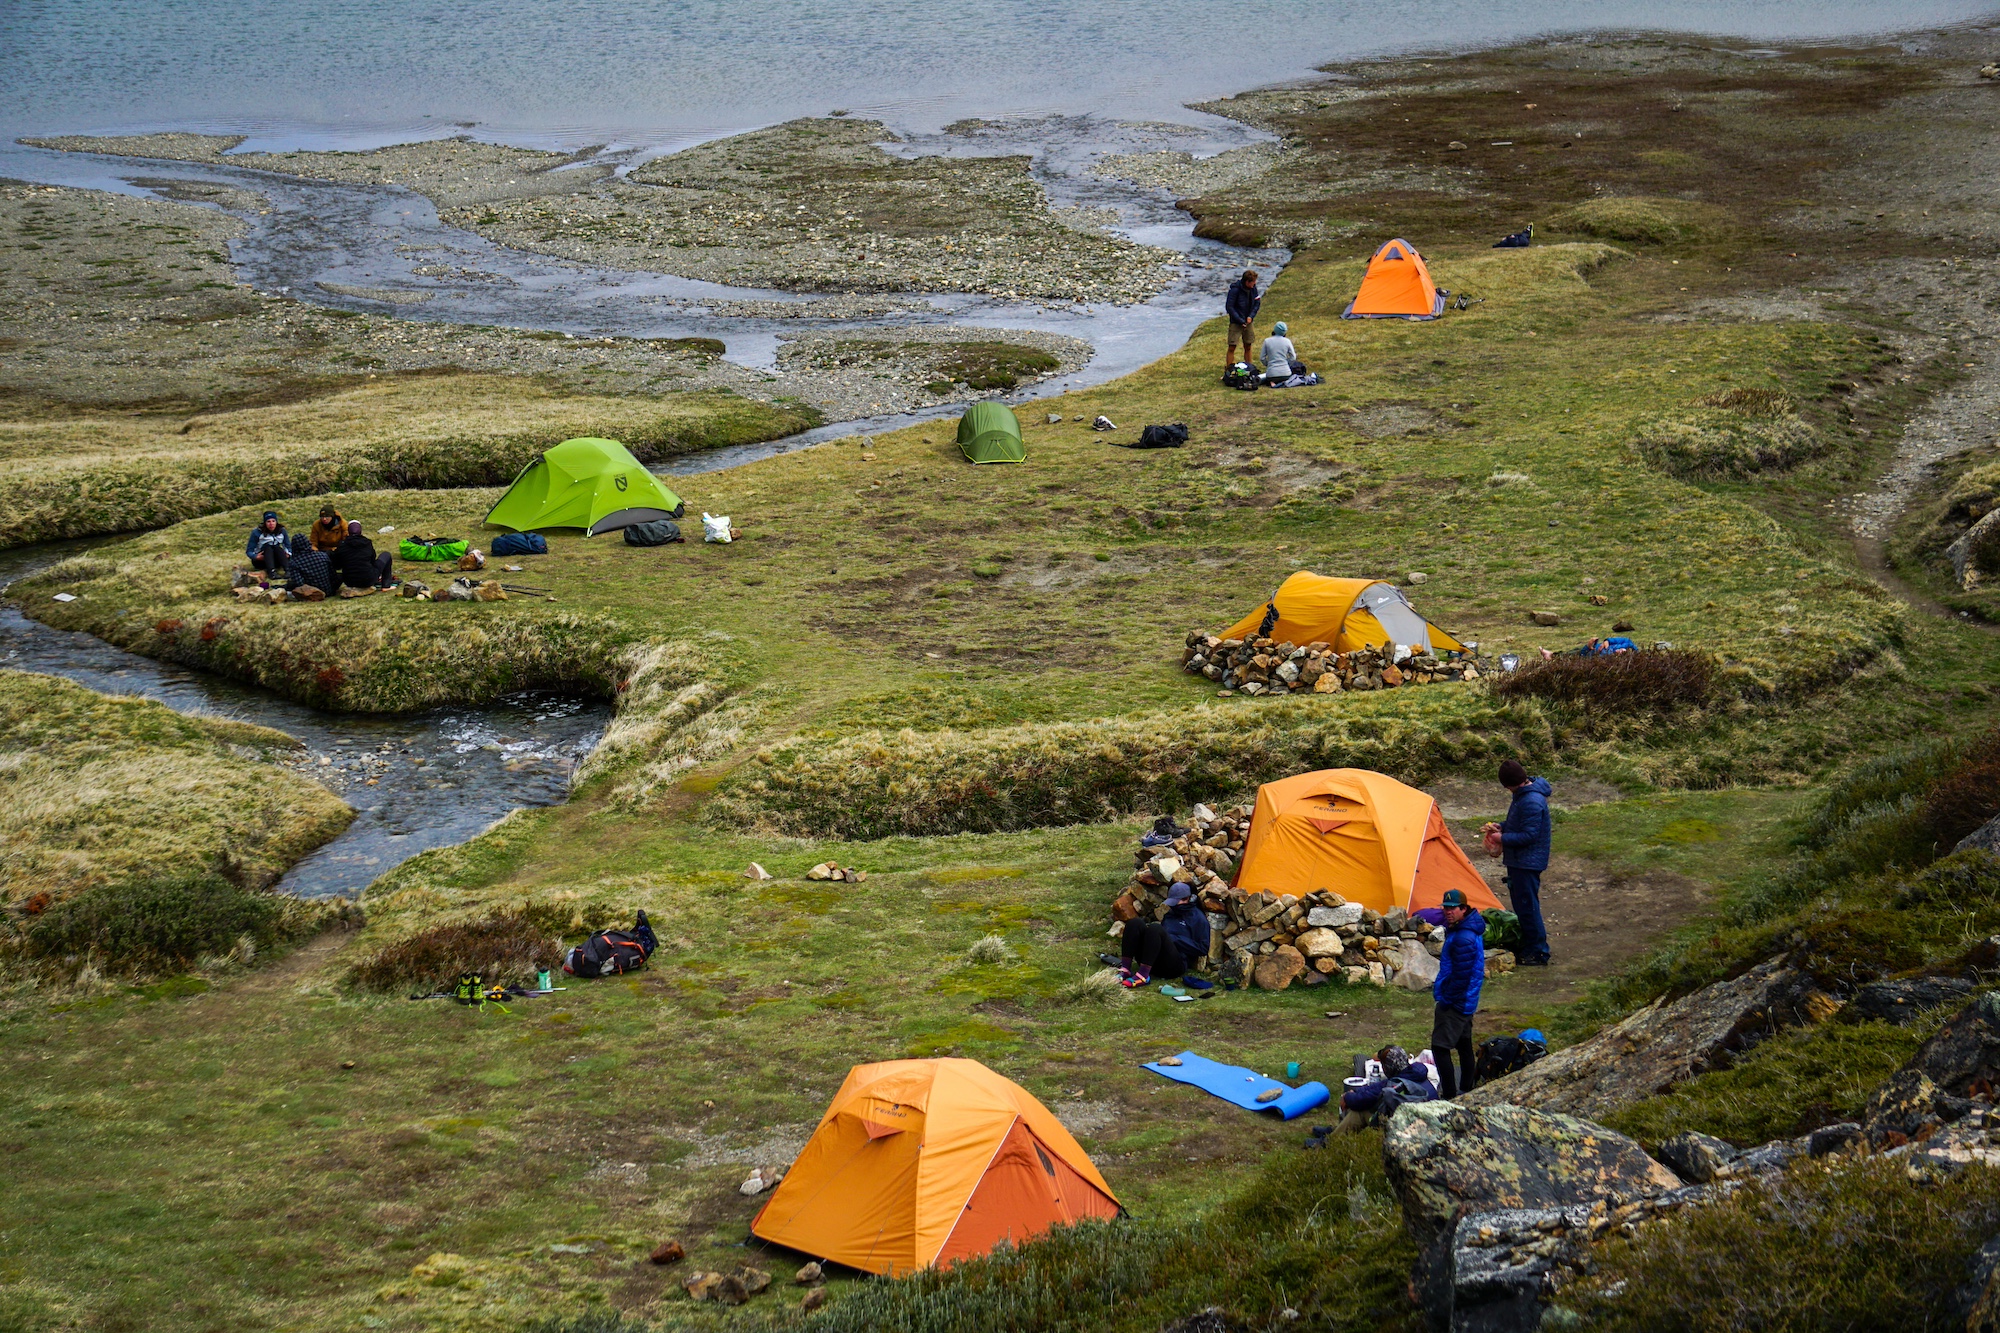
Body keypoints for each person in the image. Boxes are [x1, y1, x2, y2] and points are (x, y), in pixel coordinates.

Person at [1481, 759, 1553, 967]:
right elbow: (1518, 824)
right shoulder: (1523, 796)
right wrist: (1501, 826)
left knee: (1528, 907)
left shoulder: (1531, 801)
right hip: (1521, 861)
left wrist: (1501, 839)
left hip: (1527, 862)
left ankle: (1538, 952)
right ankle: (1531, 946)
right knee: (1524, 906)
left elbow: (1529, 835)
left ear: (1510, 783)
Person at [1430, 888, 1486, 1099]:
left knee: (1440, 1047)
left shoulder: (1463, 937)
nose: (1448, 912)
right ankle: (1467, 1087)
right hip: (1467, 1000)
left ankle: (1450, 1094)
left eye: (1453, 908)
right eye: (1446, 908)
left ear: (1464, 908)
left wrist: (1446, 1000)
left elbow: (1461, 976)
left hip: (1457, 1001)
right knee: (1463, 1044)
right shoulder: (1465, 929)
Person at [1117, 883, 1211, 988]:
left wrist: (1174, 939)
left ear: (1187, 899)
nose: (1173, 905)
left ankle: (1143, 976)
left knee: (1155, 928)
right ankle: (1125, 969)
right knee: (1135, 923)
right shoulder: (1170, 914)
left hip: (1174, 966)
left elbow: (1203, 948)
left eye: (1176, 902)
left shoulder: (1198, 918)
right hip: (1154, 961)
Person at [331, 520, 395, 590]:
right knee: (386, 555)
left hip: (349, 581)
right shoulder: (367, 543)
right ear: (360, 531)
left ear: (348, 532)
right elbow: (372, 560)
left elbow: (337, 565)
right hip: (368, 579)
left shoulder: (342, 545)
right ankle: (386, 586)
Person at [1225, 269, 1262, 371]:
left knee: (1248, 345)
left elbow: (1257, 303)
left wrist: (1251, 316)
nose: (1254, 284)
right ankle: (1229, 369)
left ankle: (1249, 368)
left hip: (1248, 321)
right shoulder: (1235, 290)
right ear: (1247, 282)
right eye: (1253, 282)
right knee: (1232, 346)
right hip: (1236, 323)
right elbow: (1229, 307)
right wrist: (1240, 320)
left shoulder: (1253, 289)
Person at [284, 533, 337, 597]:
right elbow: (333, 575)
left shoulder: (294, 563)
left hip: (311, 594)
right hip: (329, 591)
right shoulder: (323, 555)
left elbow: (299, 583)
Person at [244, 511, 289, 576]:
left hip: (276, 558)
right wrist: (255, 556)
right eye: (268, 521)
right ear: (265, 523)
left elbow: (288, 545)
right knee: (268, 548)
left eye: (273, 521)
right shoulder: (256, 533)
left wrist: (288, 554)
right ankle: (272, 572)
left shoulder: (282, 531)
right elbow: (249, 551)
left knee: (277, 548)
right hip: (262, 560)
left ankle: (287, 570)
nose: (271, 524)